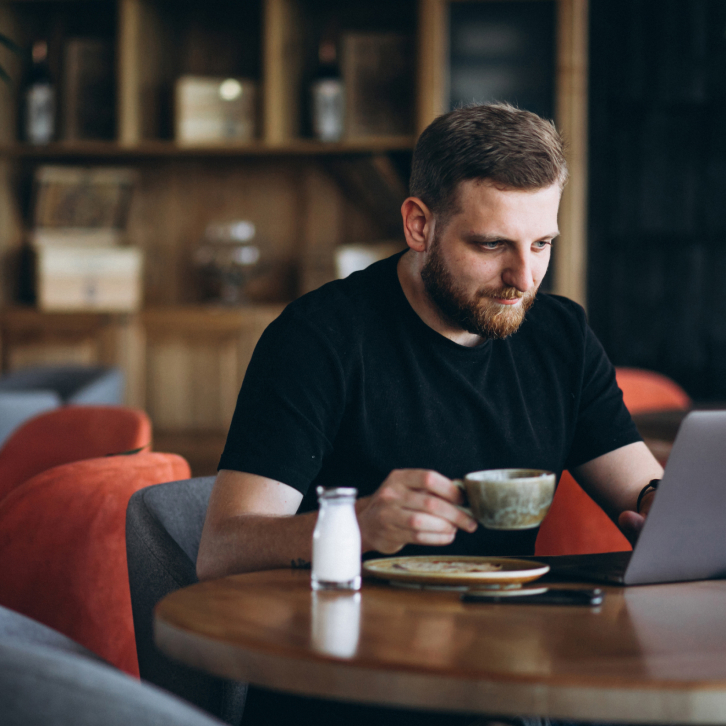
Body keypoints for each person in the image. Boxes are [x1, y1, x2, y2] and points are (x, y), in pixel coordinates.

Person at [196, 102, 663, 582]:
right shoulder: (317, 338)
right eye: (491, 244)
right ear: (419, 225)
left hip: (514, 637)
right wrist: (358, 523)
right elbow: (222, 549)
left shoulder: (562, 336)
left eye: (541, 244)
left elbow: (645, 490)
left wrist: (661, 507)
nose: (523, 279)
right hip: (352, 637)